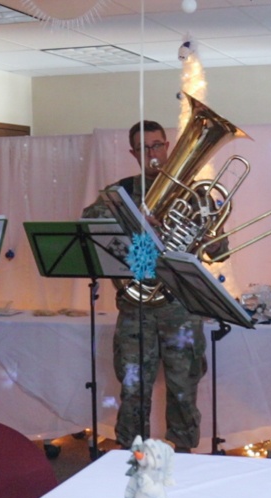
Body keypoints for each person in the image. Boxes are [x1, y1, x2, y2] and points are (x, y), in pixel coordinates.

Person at [82, 120, 225, 453]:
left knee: (183, 389)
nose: (152, 154)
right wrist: (133, 221)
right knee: (132, 389)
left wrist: (206, 231)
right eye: (143, 148)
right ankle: (132, 459)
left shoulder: (196, 194)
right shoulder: (120, 193)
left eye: (157, 146)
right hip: (136, 306)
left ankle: (185, 456)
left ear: (169, 147)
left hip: (181, 307)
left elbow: (220, 250)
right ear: (134, 154)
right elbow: (89, 223)